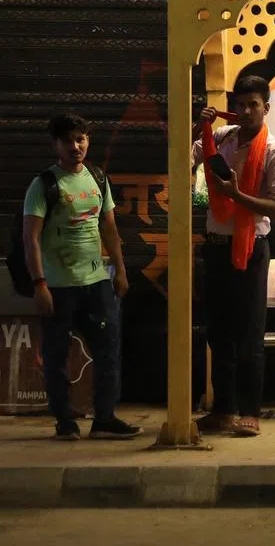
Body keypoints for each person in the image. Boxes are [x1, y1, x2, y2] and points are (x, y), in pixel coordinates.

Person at [23, 113, 139, 440]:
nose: (76, 146)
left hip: (96, 283)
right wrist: (39, 284)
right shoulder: (44, 184)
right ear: (55, 144)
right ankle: (65, 422)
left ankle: (104, 419)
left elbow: (110, 227)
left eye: (81, 139)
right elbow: (30, 238)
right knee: (57, 356)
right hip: (59, 286)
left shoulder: (98, 178)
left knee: (108, 350)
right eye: (68, 140)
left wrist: (120, 271)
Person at [192, 75, 275, 437]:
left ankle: (250, 411)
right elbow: (189, 158)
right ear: (233, 108)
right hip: (217, 247)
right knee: (217, 333)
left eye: (254, 105)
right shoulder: (221, 139)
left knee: (248, 333)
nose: (247, 111)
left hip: (252, 251)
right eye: (241, 105)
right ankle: (223, 410)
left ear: (266, 108)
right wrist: (199, 126)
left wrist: (235, 195)